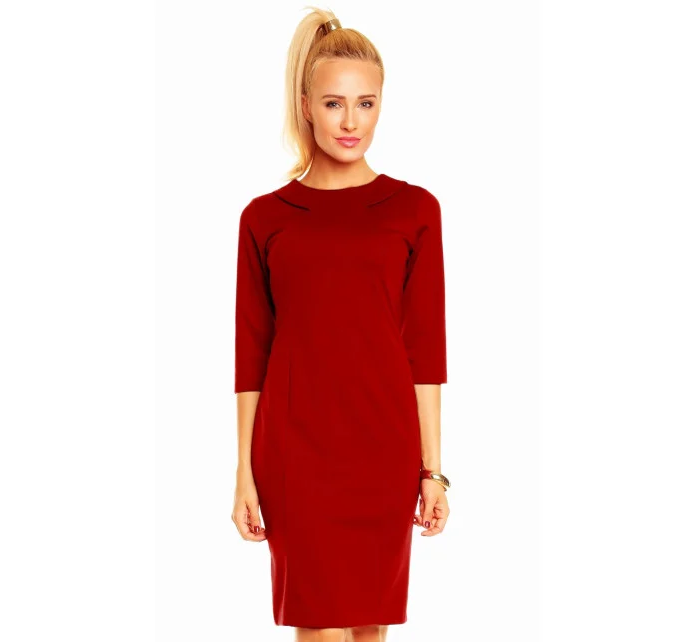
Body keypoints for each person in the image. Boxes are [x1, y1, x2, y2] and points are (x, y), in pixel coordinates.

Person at [231, 7, 451, 642]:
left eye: (365, 103)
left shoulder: (415, 210)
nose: (351, 122)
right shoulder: (265, 218)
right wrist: (243, 471)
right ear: (306, 106)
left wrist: (432, 471)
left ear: (381, 105)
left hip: (383, 449)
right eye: (334, 104)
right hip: (295, 454)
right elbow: (251, 354)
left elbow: (425, 351)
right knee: (320, 627)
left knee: (368, 629)